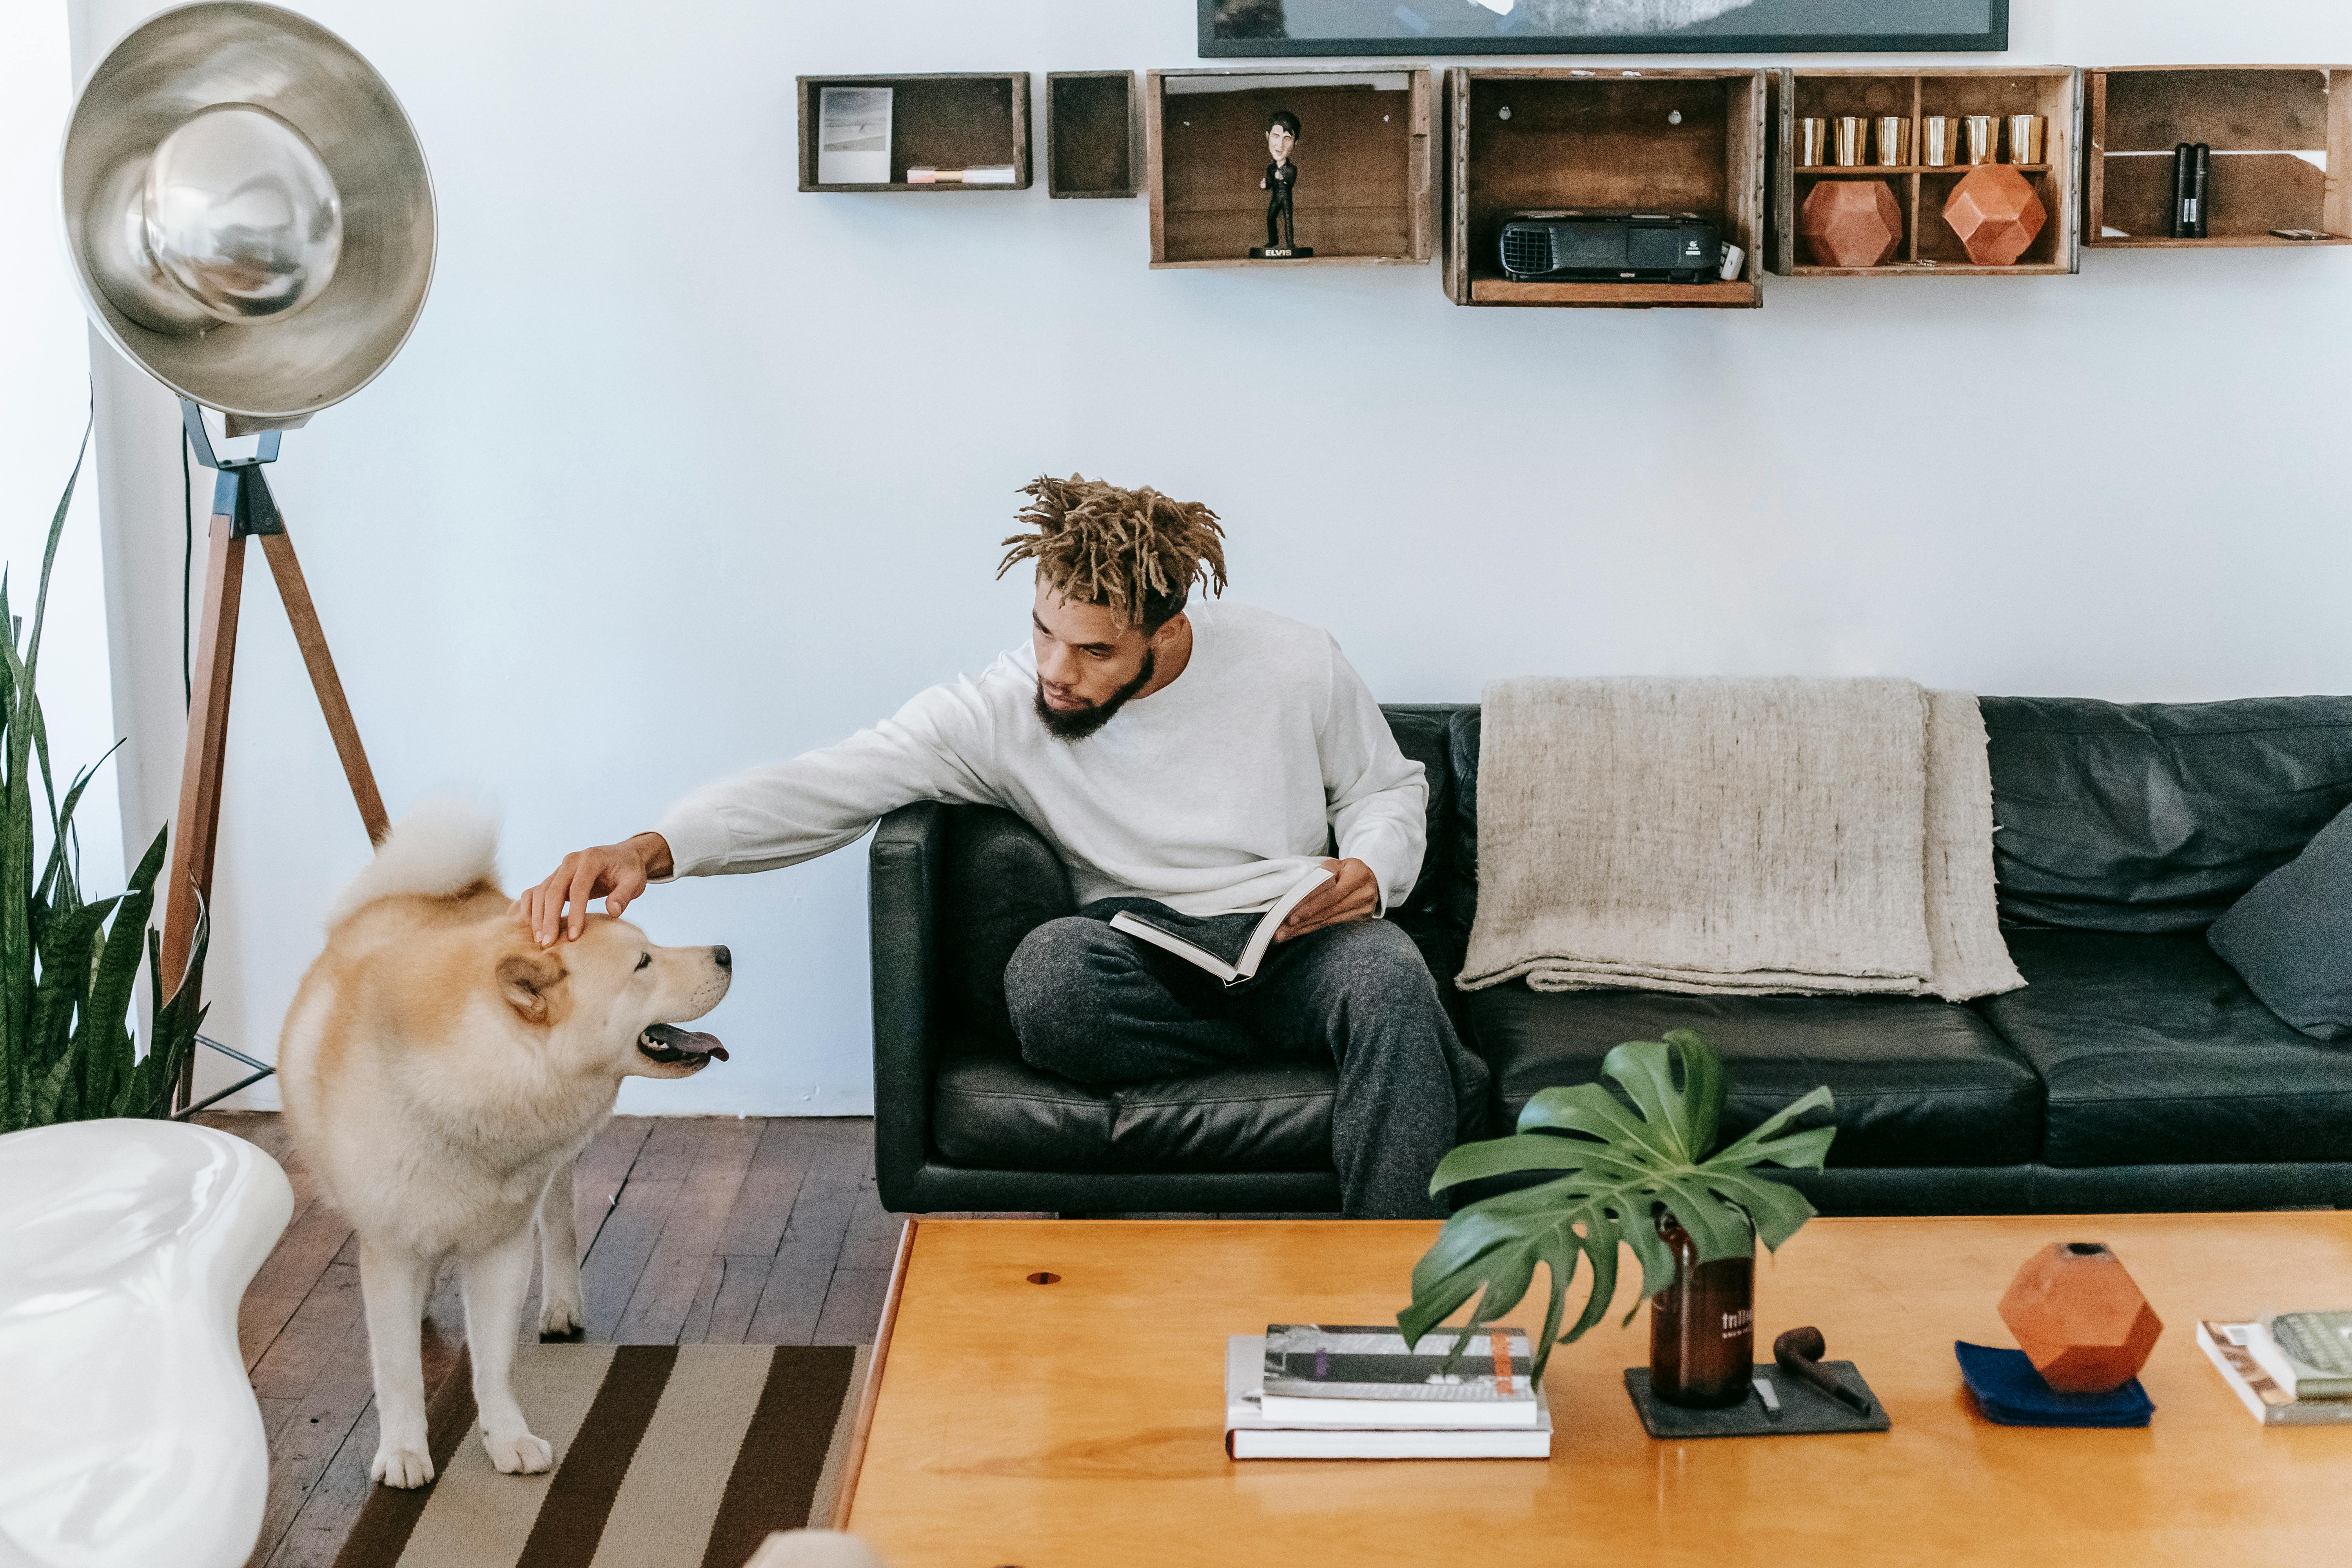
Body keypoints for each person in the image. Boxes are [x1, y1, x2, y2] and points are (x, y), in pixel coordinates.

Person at [523, 474, 1487, 1218]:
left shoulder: (1293, 661)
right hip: (1140, 965)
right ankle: (1411, 1069)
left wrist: (1368, 869)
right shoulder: (1001, 710)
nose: (1056, 674)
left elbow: (1387, 787)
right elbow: (831, 781)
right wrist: (650, 849)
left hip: (1293, 942)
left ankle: (1384, 1304)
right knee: (1049, 977)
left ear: (1166, 630)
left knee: (1390, 975)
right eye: (1042, 633)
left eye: (1096, 653)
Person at [1260, 110, 1300, 252]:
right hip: (1276, 198)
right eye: (1276, 136)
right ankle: (1273, 242)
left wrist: (1284, 180)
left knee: (1288, 220)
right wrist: (1266, 186)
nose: (1281, 145)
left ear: (1295, 143)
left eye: (1287, 139)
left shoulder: (1291, 168)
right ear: (1267, 137)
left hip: (1286, 198)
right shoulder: (1271, 168)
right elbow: (1271, 183)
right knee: (1271, 218)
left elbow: (1291, 183)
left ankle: (1291, 244)